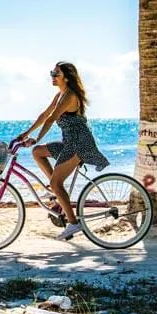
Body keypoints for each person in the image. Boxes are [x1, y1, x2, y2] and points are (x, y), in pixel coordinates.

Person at [15, 62, 109, 240]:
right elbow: (44, 115)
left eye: (55, 73)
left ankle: (74, 223)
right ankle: (55, 190)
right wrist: (25, 134)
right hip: (69, 143)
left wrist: (37, 137)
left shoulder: (70, 96)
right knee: (37, 152)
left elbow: (51, 119)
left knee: (57, 183)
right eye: (51, 73)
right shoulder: (60, 94)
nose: (52, 76)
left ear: (66, 77)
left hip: (79, 144)